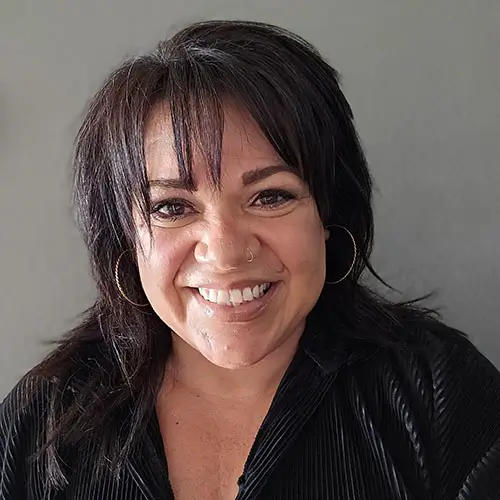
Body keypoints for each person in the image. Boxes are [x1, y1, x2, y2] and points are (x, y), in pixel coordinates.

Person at [1, 19, 500, 500]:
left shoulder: (439, 395)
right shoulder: (39, 424)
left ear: (328, 212)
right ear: (126, 239)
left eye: (270, 197)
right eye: (172, 207)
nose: (225, 252)